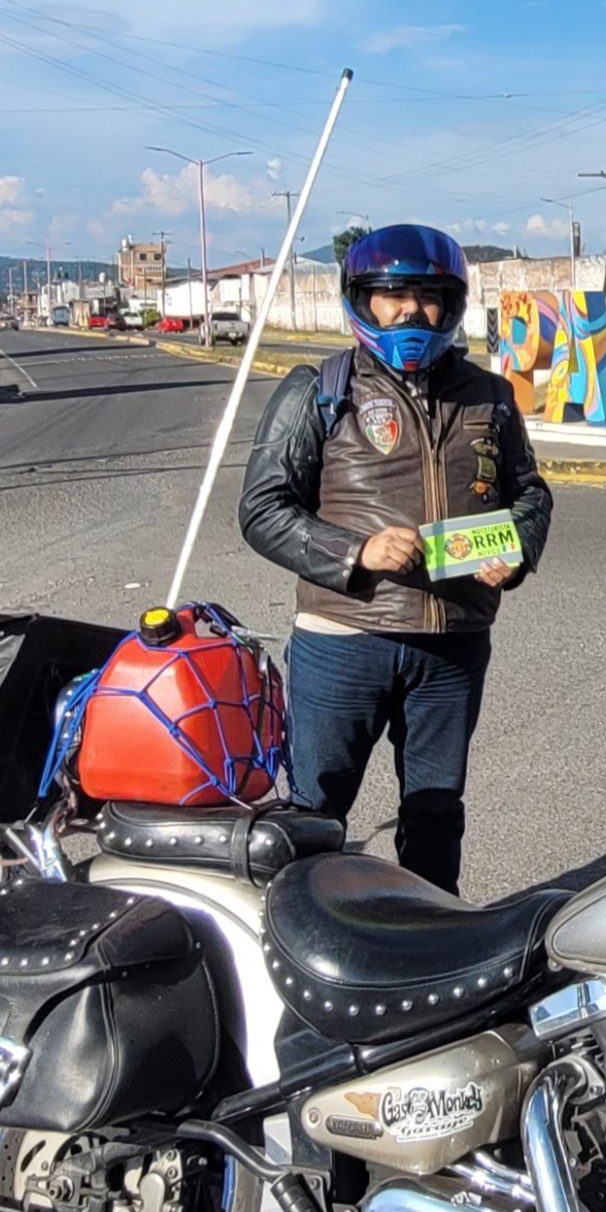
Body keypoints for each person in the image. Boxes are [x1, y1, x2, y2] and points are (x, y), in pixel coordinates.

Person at [239, 223, 552, 892]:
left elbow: (529, 494)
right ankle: (301, 937)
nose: (412, 311)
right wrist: (355, 550)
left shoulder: (489, 397)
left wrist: (517, 549)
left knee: (437, 814)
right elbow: (262, 509)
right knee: (315, 814)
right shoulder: (319, 390)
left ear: (453, 304)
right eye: (393, 295)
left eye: (429, 296)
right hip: (344, 639)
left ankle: (432, 937)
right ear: (363, 301)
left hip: (452, 644)